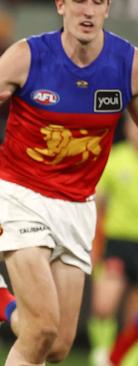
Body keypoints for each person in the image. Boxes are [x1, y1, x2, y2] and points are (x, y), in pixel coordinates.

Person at [0, 0, 138, 365]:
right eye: (79, 0)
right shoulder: (27, 55)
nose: (87, 11)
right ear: (61, 4)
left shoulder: (128, 64)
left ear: (108, 8)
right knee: (41, 328)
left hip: (76, 205)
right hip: (21, 194)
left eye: (98, 1)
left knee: (58, 344)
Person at [88, 118, 138, 366]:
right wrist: (95, 246)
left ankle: (124, 360)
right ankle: (101, 352)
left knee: (134, 316)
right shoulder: (115, 158)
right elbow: (97, 207)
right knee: (103, 305)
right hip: (117, 243)